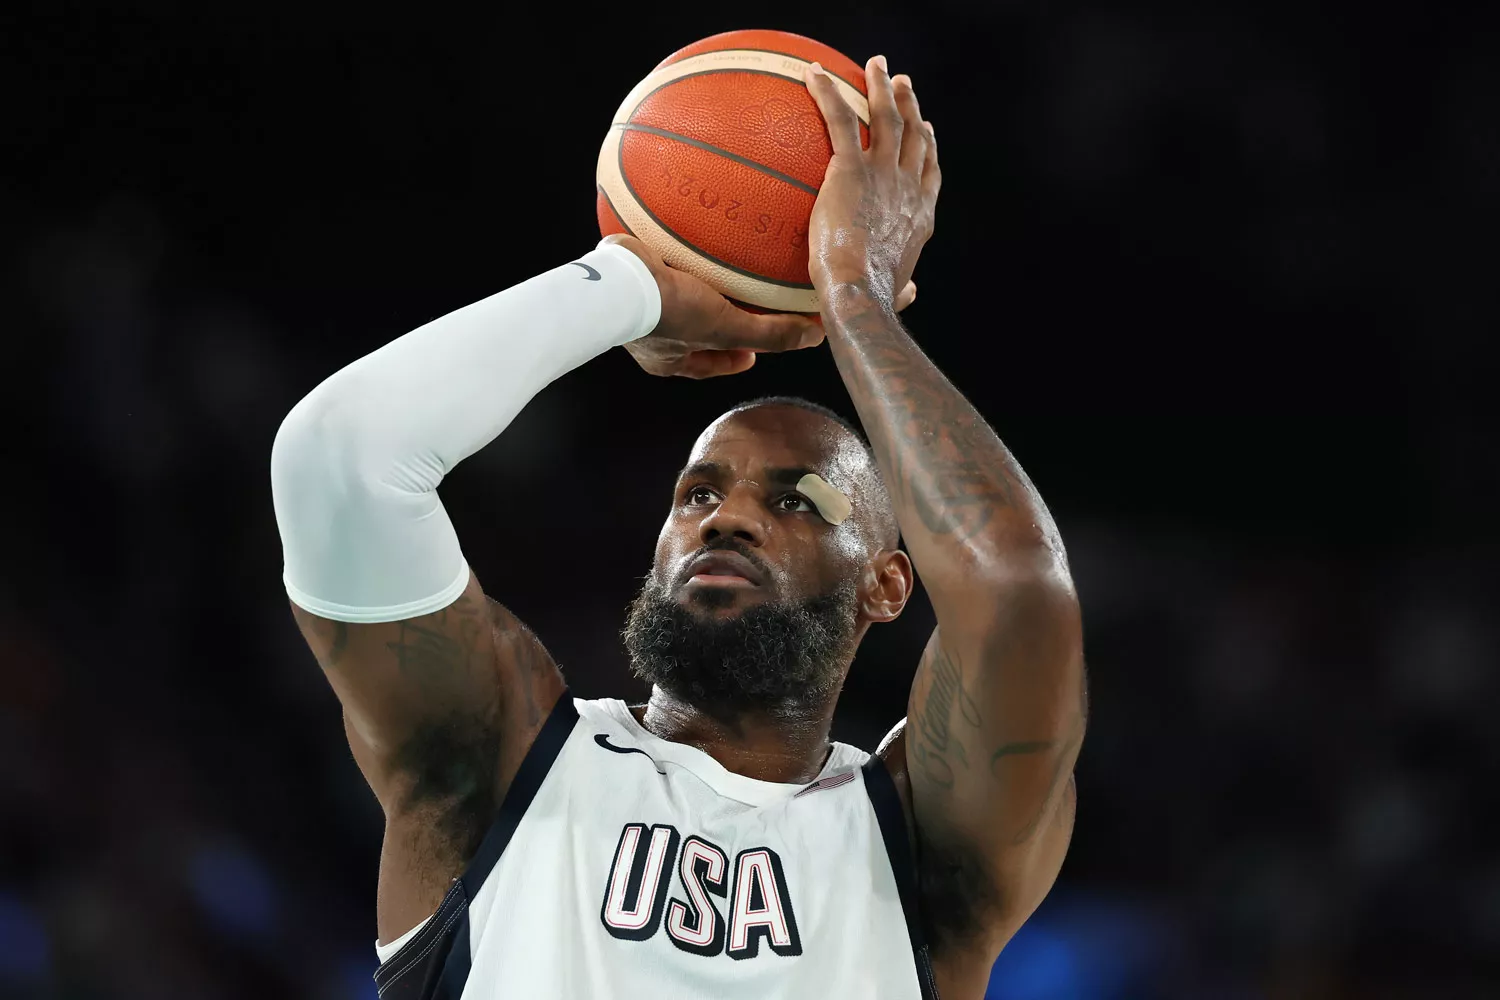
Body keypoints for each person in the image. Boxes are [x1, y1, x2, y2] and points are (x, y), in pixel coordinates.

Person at [270, 56, 1085, 1000]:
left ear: (887, 583)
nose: (729, 516)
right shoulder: (501, 762)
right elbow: (340, 459)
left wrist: (854, 293)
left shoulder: (922, 844)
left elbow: (1021, 594)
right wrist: (633, 282)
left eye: (797, 500)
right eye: (696, 495)